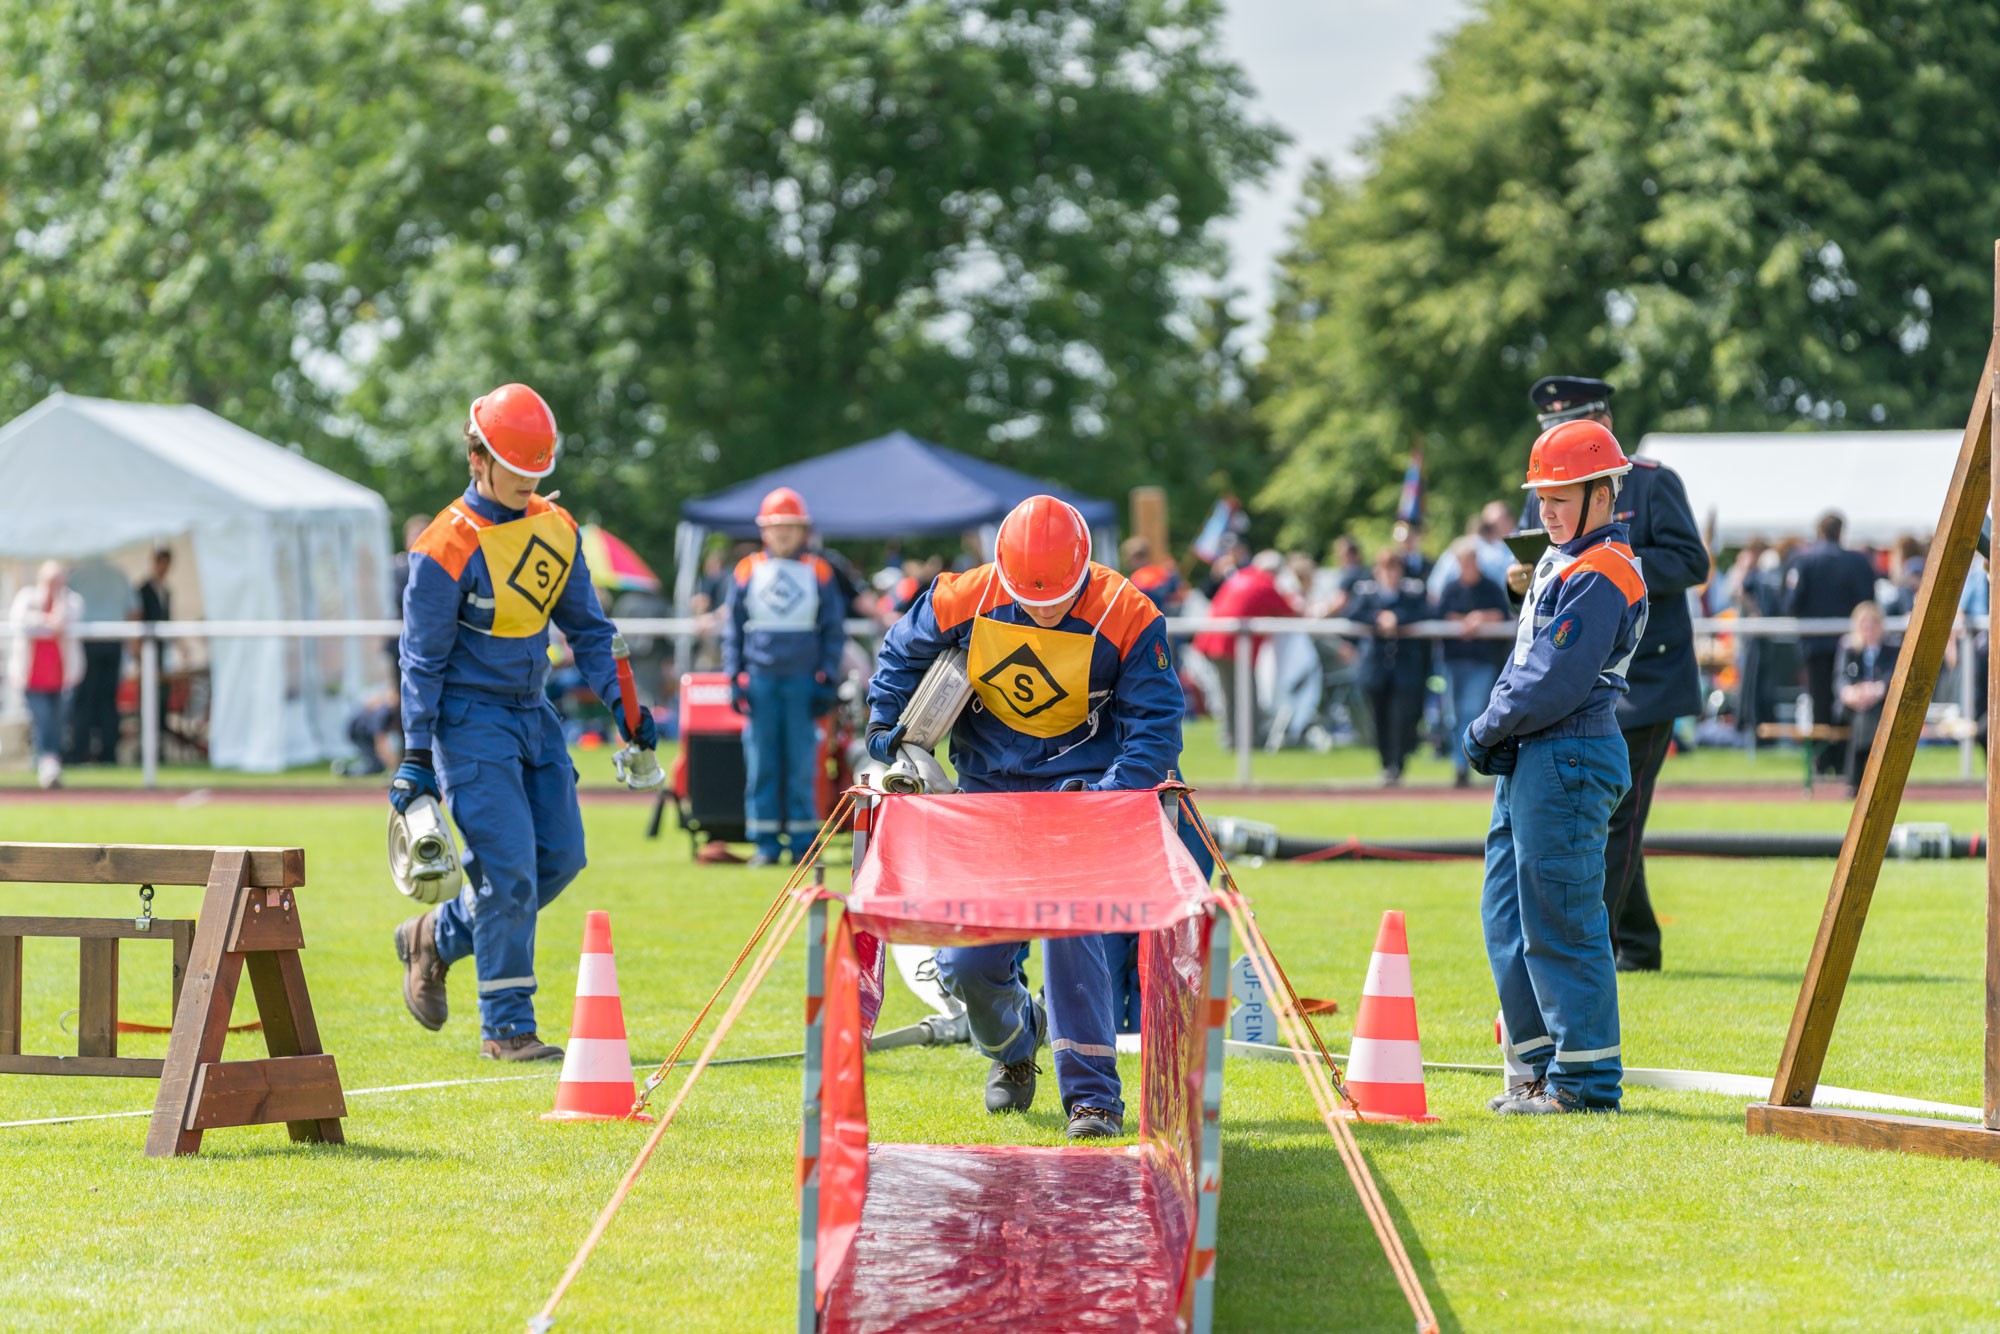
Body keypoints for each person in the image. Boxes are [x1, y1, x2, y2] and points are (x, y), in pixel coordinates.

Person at [865, 495, 1210, 1140]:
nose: (1044, 610)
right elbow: (900, 654)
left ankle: (1093, 1100)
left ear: (1085, 571)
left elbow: (1156, 726)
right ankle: (1015, 1047)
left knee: (1070, 933)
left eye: (1058, 599)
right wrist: (888, 725)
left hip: (1081, 798)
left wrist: (1109, 795)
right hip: (987, 794)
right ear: (1002, 571)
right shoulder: (958, 596)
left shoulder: (1129, 613)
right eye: (1030, 599)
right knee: (965, 966)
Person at [390, 383, 656, 1062]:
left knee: (560, 859)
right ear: (477, 458)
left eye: (537, 471)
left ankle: (436, 936)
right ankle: (507, 1028)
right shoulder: (442, 547)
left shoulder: (556, 528)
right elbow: (421, 660)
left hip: (534, 714)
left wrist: (627, 710)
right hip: (468, 722)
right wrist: (416, 754)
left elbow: (589, 631)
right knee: (507, 870)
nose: (527, 482)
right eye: (514, 468)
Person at [1465, 418, 1648, 1115]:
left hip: (1567, 746)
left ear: (1603, 495)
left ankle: (1583, 1082)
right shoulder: (1566, 561)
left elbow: (1552, 676)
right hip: (1539, 749)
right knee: (1508, 916)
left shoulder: (1601, 570)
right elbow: (1530, 664)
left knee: (1562, 919)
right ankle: (1542, 1071)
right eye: (1542, 497)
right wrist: (1498, 728)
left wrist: (1486, 728)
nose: (1546, 510)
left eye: (1560, 497)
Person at [1514, 375, 1707, 973]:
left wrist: (1609, 563)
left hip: (1647, 681)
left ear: (1604, 422)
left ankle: (1587, 948)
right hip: (1578, 682)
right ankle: (1638, 943)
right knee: (1608, 813)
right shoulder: (1546, 484)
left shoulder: (1650, 482)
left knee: (1617, 817)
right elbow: (1539, 574)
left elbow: (1691, 561)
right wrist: (1518, 582)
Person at [723, 487, 846, 867]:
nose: (783, 534)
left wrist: (827, 677)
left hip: (803, 680)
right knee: (762, 764)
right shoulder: (746, 569)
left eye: (790, 527)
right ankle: (765, 844)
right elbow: (733, 629)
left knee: (801, 765)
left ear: (802, 531)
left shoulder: (819, 570)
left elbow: (833, 629)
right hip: (760, 678)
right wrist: (733, 676)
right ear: (765, 531)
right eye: (777, 527)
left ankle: (802, 841)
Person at [1785, 510, 1877, 776]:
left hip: (1815, 646)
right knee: (1850, 701)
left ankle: (1823, 760)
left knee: (1820, 703)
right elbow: (1869, 602)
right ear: (1840, 532)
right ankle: (1846, 759)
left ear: (1819, 532)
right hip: (1852, 645)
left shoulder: (1803, 561)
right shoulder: (1858, 562)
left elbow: (1791, 603)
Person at [1192, 550, 1296, 749]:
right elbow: (1290, 612)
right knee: (1246, 695)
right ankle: (1250, 742)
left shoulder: (1240, 576)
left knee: (1229, 695)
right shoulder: (1265, 584)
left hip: (1213, 640)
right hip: (1232, 644)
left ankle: (1231, 740)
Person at [1347, 548, 1431, 784]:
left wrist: (1397, 619)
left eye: (1394, 569)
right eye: (1385, 569)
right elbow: (1352, 613)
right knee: (1379, 717)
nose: (1390, 574)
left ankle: (1397, 764)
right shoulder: (1366, 593)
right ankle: (1386, 763)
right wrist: (1378, 619)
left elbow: (1424, 612)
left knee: (1402, 718)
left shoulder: (1412, 593)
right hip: (1375, 668)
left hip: (1404, 667)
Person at [1436, 538, 1511, 788]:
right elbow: (1440, 615)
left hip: (1481, 660)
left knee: (1472, 710)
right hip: (1454, 660)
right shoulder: (1451, 589)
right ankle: (1460, 763)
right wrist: (1466, 622)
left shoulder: (1490, 587)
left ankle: (1468, 762)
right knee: (1452, 715)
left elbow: (1502, 613)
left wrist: (1481, 618)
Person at [10, 561, 84, 789]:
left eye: (59, 580)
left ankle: (48, 764)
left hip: (63, 678)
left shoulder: (71, 600)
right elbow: (21, 621)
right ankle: (47, 765)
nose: (55, 585)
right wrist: (46, 620)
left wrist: (57, 604)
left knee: (58, 724)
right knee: (42, 720)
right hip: (33, 677)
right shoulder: (27, 598)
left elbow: (65, 620)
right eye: (51, 580)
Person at [63, 559, 130, 766]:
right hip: (113, 643)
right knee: (108, 701)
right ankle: (108, 754)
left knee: (84, 700)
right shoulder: (119, 575)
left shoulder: (76, 575)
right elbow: (134, 610)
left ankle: (80, 753)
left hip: (88, 643)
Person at [1835, 602, 1896, 795]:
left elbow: (1892, 678)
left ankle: (1854, 780)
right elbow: (1840, 680)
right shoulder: (1849, 649)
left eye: (1872, 625)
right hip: (1852, 708)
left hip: (1879, 707)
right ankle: (1872, 775)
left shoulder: (1891, 649)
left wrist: (1876, 690)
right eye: (1864, 626)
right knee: (1864, 715)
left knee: (1867, 716)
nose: (1868, 630)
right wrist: (1852, 693)